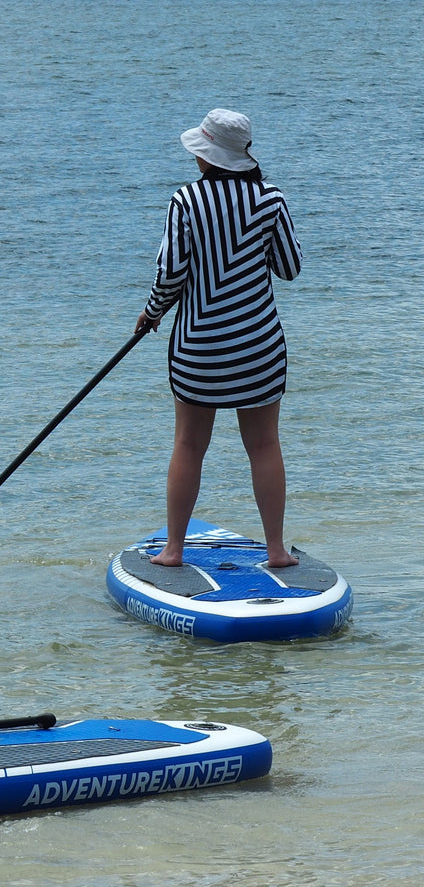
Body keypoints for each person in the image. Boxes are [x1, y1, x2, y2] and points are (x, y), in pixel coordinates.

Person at [135, 108, 303, 569]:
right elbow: (290, 268)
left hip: (199, 347)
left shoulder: (185, 201)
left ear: (206, 156)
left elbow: (171, 276)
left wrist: (149, 315)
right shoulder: (271, 199)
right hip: (259, 346)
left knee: (189, 445)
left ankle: (173, 551)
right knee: (265, 445)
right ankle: (275, 551)